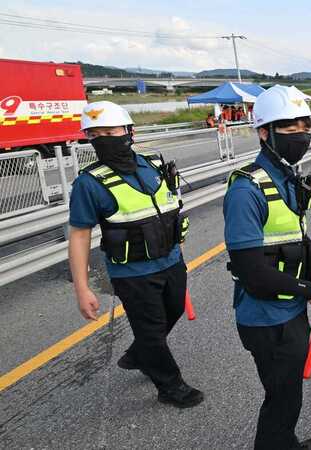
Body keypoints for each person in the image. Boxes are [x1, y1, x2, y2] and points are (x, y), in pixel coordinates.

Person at [68, 101, 202, 408]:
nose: (104, 138)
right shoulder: (89, 183)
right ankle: (170, 386)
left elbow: (169, 211)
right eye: (95, 133)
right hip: (133, 274)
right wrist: (82, 288)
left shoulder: (153, 166)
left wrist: (179, 253)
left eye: (111, 130)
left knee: (172, 312)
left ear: (130, 132)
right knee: (152, 330)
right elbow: (78, 236)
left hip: (171, 261)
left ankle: (140, 353)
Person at [223, 85, 311, 450]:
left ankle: (286, 443)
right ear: (263, 132)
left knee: (288, 396)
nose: (299, 134)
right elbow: (253, 272)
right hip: (266, 319)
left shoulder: (288, 179)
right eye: (288, 127)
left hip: (289, 309)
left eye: (305, 125)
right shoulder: (246, 190)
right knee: (281, 401)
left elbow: (295, 245)